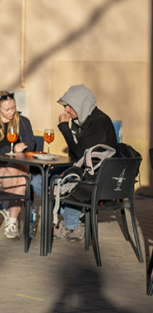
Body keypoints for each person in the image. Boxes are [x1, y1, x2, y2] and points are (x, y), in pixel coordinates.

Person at [44, 84, 119, 240]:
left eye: (68, 106)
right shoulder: (81, 121)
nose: (65, 110)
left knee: (63, 182)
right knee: (40, 180)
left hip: (96, 180)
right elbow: (76, 155)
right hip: (84, 173)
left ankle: (71, 226)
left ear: (81, 105)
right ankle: (75, 221)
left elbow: (80, 154)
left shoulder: (99, 122)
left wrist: (64, 128)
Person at [0, 89, 35, 239]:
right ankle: (10, 216)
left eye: (14, 107)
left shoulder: (23, 122)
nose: (12, 112)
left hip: (19, 164)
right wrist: (11, 150)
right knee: (20, 176)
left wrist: (20, 151)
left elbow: (31, 145)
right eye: (7, 109)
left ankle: (10, 217)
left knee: (22, 177)